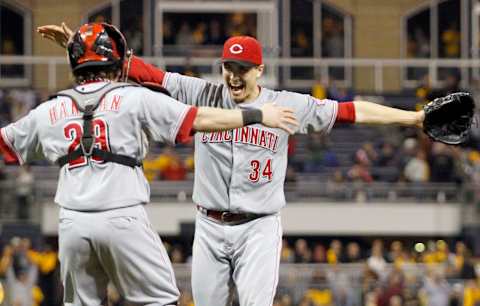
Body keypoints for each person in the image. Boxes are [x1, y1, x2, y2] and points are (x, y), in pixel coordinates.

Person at [38, 24, 427, 306]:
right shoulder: (204, 92)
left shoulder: (288, 104)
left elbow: (350, 110)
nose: (233, 75)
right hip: (208, 226)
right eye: (228, 67)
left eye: (242, 69)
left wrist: (412, 118)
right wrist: (79, 46)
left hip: (258, 226)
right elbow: (144, 73)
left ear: (259, 71)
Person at [0, 23, 297, 305]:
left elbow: (5, 143)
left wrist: (76, 45)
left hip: (71, 223)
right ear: (117, 63)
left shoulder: (50, 109)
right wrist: (257, 115)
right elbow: (200, 118)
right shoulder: (133, 98)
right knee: (161, 299)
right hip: (121, 215)